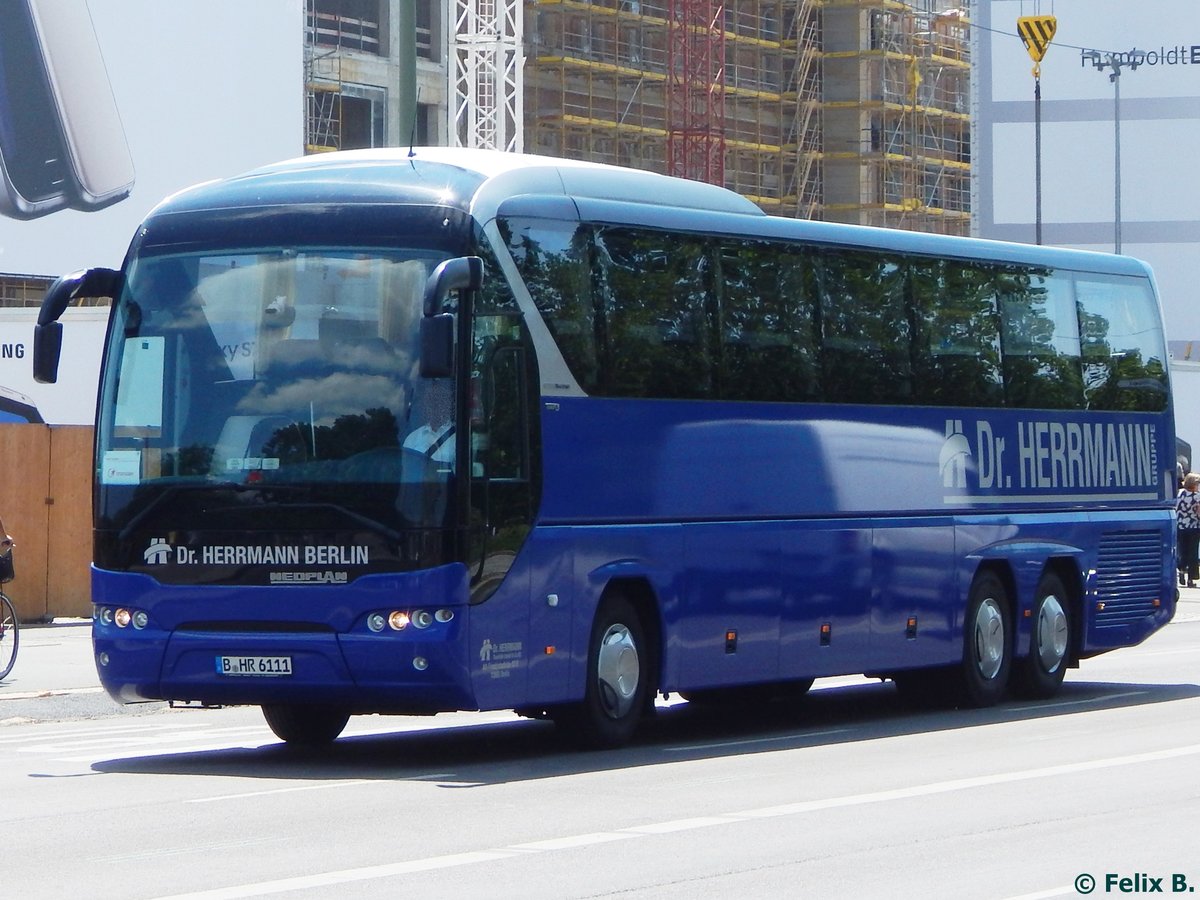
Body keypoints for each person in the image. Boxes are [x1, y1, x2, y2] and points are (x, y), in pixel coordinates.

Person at [1176, 472, 1200, 588]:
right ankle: (1191, 579)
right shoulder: (1197, 497)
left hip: (1180, 526)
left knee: (1183, 550)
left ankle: (1181, 570)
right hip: (1193, 527)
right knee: (1193, 553)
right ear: (1194, 484)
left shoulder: (1180, 493)